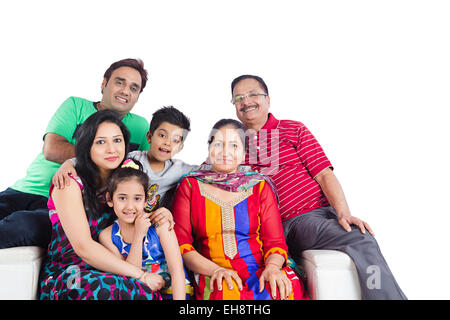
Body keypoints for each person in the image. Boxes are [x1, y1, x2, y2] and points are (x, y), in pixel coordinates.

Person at [230, 74, 407, 300]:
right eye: (238, 98)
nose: (246, 101)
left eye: (253, 94)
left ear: (268, 100)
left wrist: (344, 213)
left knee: (360, 234)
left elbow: (324, 174)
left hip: (320, 213)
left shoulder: (294, 130)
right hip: (287, 223)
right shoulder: (232, 143)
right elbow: (208, 175)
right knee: (359, 238)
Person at [0, 58, 151, 249]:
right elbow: (52, 149)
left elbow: (140, 174)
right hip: (26, 189)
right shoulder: (76, 106)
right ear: (104, 84)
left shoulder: (140, 127)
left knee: (21, 225)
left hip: (69, 204)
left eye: (134, 88)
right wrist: (87, 160)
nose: (125, 91)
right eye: (119, 82)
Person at [40, 110, 172, 300]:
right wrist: (141, 275)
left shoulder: (125, 177)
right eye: (101, 142)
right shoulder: (69, 183)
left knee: (143, 292)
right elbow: (83, 247)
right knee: (104, 288)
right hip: (69, 273)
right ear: (87, 147)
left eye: (117, 140)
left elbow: (138, 213)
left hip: (115, 268)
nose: (112, 149)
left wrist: (163, 213)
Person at [172, 119, 309, 300]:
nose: (225, 152)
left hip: (261, 268)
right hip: (212, 270)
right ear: (209, 148)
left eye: (234, 145)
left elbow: (275, 242)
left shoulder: (259, 186)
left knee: (281, 288)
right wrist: (216, 270)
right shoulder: (190, 185)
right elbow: (181, 245)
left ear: (244, 153)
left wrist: (273, 268)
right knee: (226, 294)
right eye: (218, 144)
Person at [53, 106, 200, 211]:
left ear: (181, 147)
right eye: (162, 135)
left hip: (151, 223)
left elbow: (208, 170)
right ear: (149, 137)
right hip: (122, 218)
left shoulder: (180, 169)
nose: (168, 142)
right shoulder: (132, 159)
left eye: (175, 140)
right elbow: (93, 159)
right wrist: (68, 163)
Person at [98, 159, 189, 300]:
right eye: (122, 198)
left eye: (137, 199)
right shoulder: (107, 236)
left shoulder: (160, 224)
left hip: (175, 293)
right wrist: (138, 235)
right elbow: (129, 274)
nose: (129, 206)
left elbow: (177, 271)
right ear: (110, 199)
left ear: (146, 200)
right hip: (140, 293)